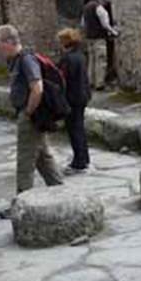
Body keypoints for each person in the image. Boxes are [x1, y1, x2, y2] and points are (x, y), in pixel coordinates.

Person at [0, 24, 64, 203]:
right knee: (43, 158)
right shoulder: (16, 60)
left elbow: (37, 87)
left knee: (25, 160)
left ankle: (22, 203)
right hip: (30, 114)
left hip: (30, 116)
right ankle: (60, 191)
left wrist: (28, 112)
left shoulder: (26, 60)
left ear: (9, 42)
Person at [57, 28, 92, 174]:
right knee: (79, 127)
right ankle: (84, 157)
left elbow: (62, 78)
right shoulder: (80, 56)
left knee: (74, 129)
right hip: (83, 95)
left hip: (72, 97)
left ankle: (79, 162)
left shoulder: (67, 59)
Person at [81, 0, 119, 90]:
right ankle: (99, 83)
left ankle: (90, 82)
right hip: (99, 37)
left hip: (89, 37)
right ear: (102, 0)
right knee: (101, 60)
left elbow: (83, 24)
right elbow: (105, 24)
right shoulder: (99, 8)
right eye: (106, 2)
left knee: (91, 60)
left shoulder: (86, 7)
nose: (106, 4)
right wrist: (114, 32)